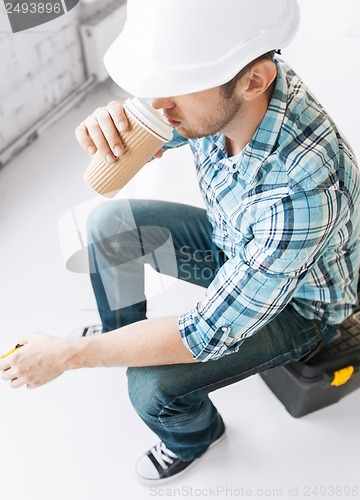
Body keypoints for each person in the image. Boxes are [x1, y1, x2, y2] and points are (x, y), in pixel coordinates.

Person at [1, 0, 360, 485]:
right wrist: (115, 127)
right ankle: (120, 337)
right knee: (110, 225)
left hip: (300, 306)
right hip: (240, 245)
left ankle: (195, 436)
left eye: (175, 89)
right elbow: (162, 119)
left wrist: (67, 356)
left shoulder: (301, 193)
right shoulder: (222, 87)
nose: (157, 102)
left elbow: (205, 334)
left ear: (255, 81)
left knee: (152, 387)